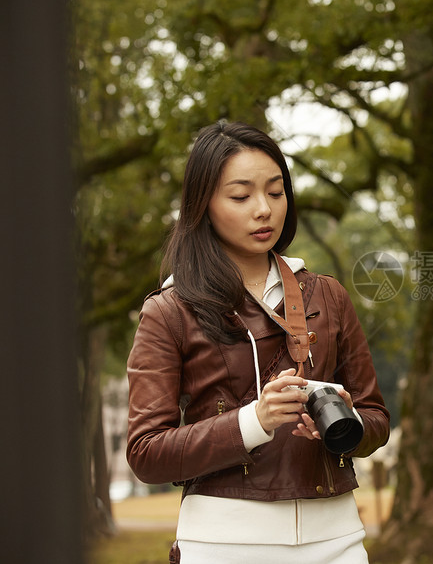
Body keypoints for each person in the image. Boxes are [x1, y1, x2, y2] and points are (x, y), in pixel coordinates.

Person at [126, 120, 390, 563]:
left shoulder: (327, 294)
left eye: (275, 191)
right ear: (203, 204)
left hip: (337, 539)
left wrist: (347, 422)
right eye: (240, 196)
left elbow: (377, 416)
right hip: (226, 543)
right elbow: (146, 452)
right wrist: (254, 421)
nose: (264, 209)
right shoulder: (169, 309)